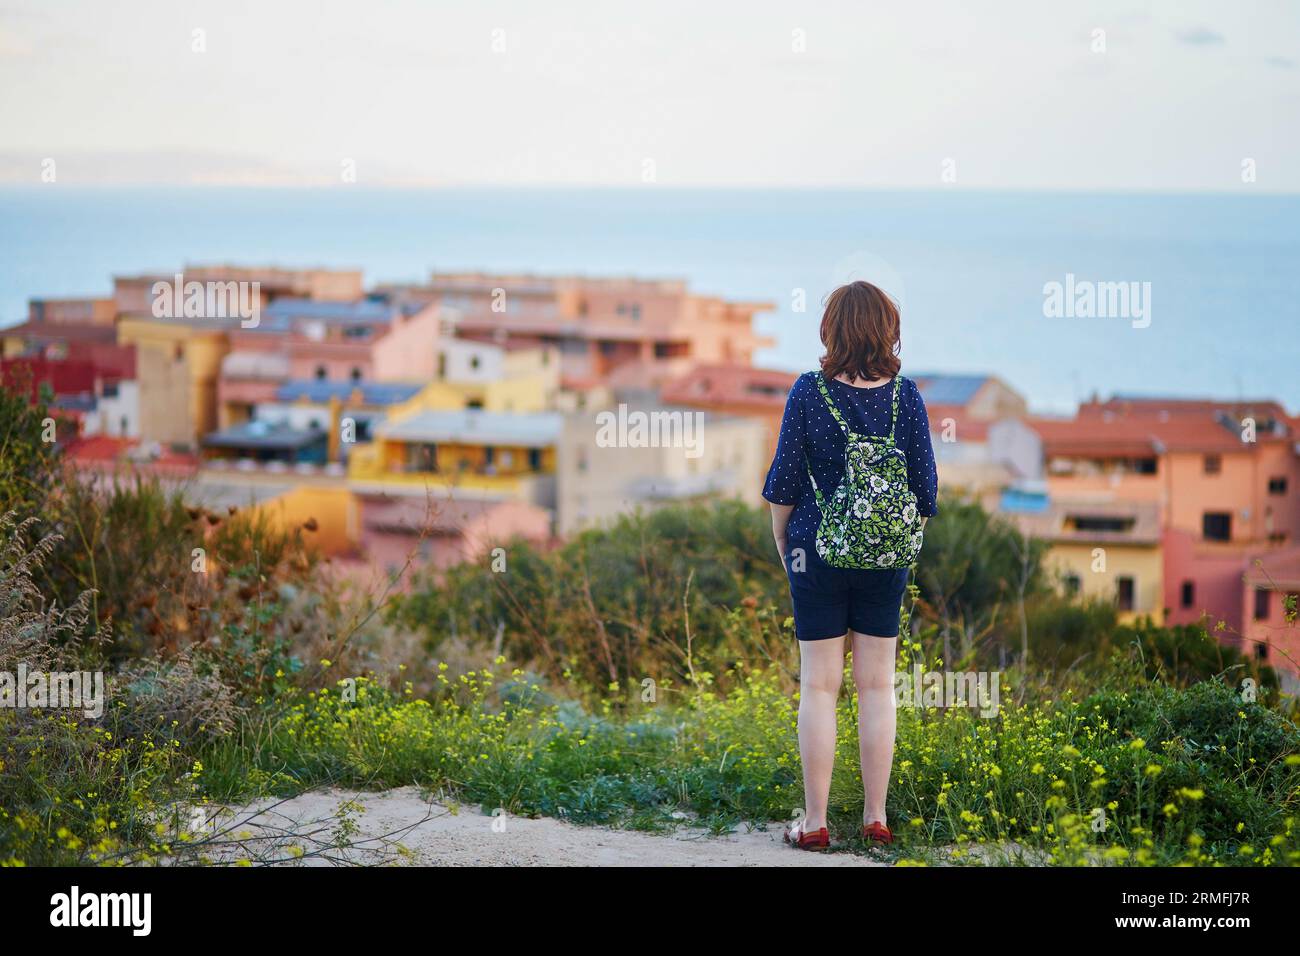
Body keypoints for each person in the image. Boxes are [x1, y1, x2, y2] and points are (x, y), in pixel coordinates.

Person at [762, 280, 938, 850]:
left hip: (815, 551)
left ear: (830, 329)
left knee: (818, 687)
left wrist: (785, 542)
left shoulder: (808, 392)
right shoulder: (906, 397)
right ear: (888, 329)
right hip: (885, 559)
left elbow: (784, 483)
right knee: (876, 687)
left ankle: (814, 825)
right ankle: (875, 818)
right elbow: (925, 493)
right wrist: (889, 541)